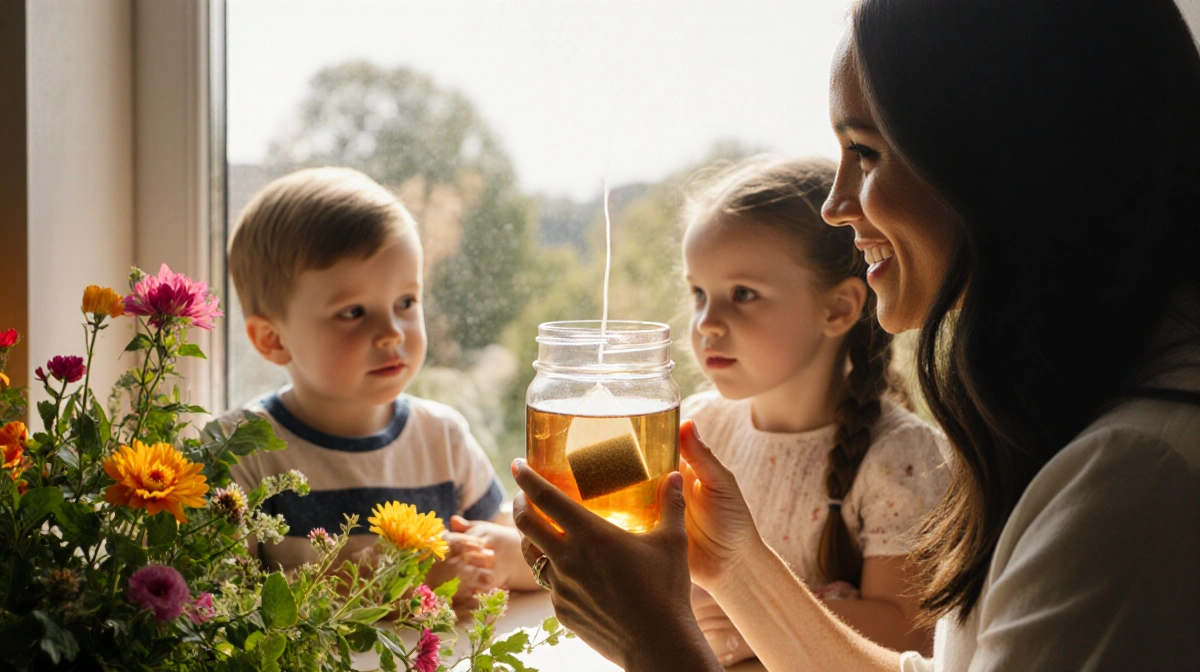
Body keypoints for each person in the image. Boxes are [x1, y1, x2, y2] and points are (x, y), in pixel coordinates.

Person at [510, 0, 1200, 669]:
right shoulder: (1069, 422)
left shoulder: (1134, 484)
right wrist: (739, 568)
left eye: (865, 155)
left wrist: (652, 640)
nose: (838, 206)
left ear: (1005, 161)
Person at [222, 167, 539, 604]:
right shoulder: (240, 453)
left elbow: (544, 561)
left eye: (406, 302)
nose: (392, 331)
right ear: (272, 339)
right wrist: (386, 578)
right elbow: (218, 605)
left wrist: (501, 557)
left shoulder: (441, 437)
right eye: (353, 312)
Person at [679, 155, 948, 663]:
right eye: (698, 293)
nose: (707, 323)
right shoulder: (701, 428)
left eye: (742, 294)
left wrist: (744, 619)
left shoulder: (901, 457)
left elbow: (910, 632)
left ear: (838, 308)